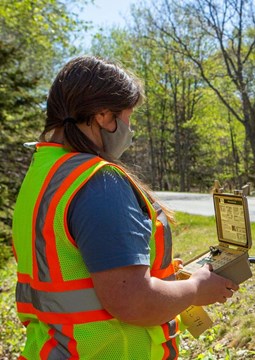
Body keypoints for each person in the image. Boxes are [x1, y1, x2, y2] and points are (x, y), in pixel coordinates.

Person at [11, 55, 239, 359]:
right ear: (104, 116)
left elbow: (76, 269)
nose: (130, 130)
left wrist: (162, 276)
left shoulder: (44, 171)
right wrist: (196, 289)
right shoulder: (99, 181)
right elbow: (133, 301)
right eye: (128, 117)